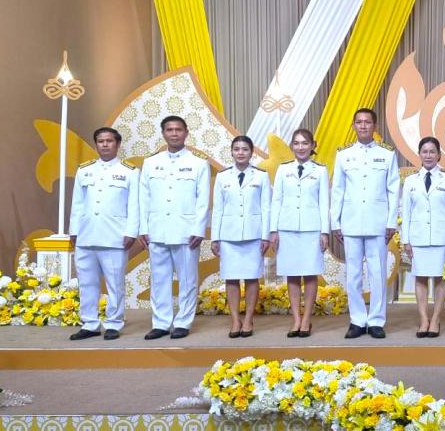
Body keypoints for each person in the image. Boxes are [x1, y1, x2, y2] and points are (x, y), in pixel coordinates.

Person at [139, 116, 210, 340]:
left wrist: (199, 229)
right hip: (157, 229)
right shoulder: (151, 163)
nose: (174, 133)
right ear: (163, 133)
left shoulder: (198, 163)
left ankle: (183, 322)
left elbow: (203, 200)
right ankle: (160, 323)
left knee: (187, 280)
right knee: (159, 280)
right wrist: (143, 228)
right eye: (169, 130)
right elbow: (144, 198)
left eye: (178, 129)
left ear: (186, 132)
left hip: (186, 231)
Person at [330, 108, 399, 340]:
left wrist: (391, 222)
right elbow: (337, 190)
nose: (363, 126)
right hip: (351, 222)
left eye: (367, 122)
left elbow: (393, 190)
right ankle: (357, 320)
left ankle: (377, 320)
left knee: (378, 273)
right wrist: (335, 222)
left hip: (378, 222)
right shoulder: (344, 154)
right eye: (358, 122)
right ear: (353, 126)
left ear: (375, 126)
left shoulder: (387, 154)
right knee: (353, 274)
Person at [67, 126, 138, 341]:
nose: (105, 144)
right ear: (96, 144)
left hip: (114, 236)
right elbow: (77, 204)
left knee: (115, 284)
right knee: (87, 283)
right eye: (100, 141)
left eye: (109, 141)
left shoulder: (129, 171)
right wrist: (74, 231)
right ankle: (90, 324)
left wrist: (131, 232)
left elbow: (134, 205)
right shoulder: (84, 170)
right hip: (86, 235)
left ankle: (114, 323)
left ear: (117, 144)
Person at [269, 128, 329, 338]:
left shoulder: (320, 170)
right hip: (287, 228)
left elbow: (324, 203)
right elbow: (276, 200)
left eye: (305, 143)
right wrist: (273, 230)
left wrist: (324, 232)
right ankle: (296, 319)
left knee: (310, 273)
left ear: (313, 146)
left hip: (312, 229)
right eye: (296, 143)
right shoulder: (283, 169)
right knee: (292, 274)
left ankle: (306, 319)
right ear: (291, 146)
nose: (301, 147)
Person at [210, 135, 271, 338]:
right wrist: (215, 238)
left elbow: (266, 208)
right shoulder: (222, 176)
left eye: (245, 149)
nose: (240, 153)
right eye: (236, 149)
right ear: (231, 152)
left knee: (252, 278)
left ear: (251, 152)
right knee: (231, 278)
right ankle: (235, 320)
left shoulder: (261, 176)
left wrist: (265, 236)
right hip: (228, 236)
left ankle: (248, 319)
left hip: (254, 236)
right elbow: (217, 209)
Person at [400, 137, 445, 339]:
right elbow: (406, 212)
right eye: (424, 151)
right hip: (418, 237)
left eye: (432, 151)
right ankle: (424, 319)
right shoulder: (410, 181)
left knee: (440, 278)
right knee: (421, 278)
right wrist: (405, 239)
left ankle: (436, 319)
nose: (428, 155)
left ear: (439, 155)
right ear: (419, 154)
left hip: (442, 237)